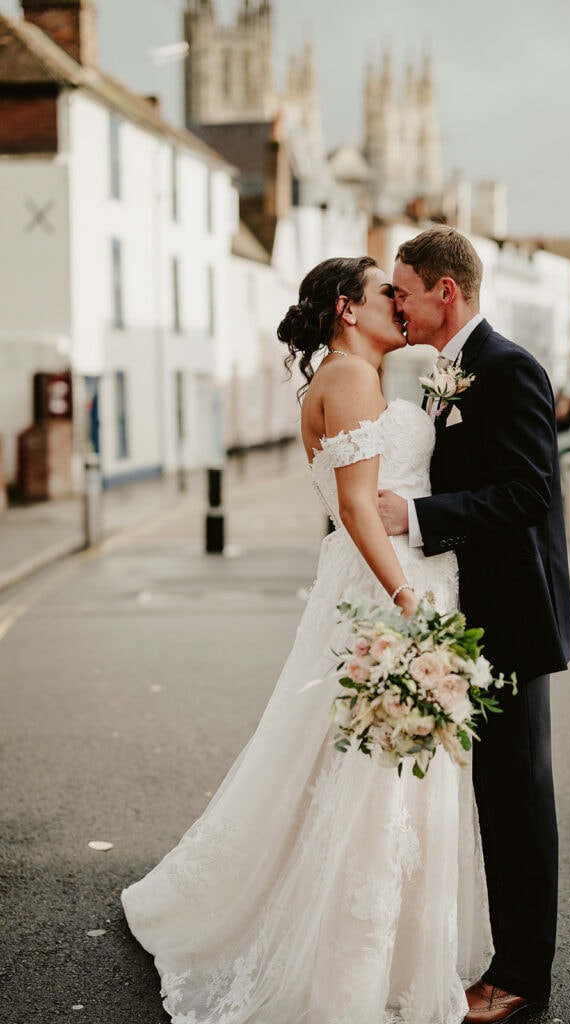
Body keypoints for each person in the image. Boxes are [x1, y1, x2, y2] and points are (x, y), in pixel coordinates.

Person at [121, 255, 493, 1024]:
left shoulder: (347, 378)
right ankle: (349, 969)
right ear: (347, 312)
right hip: (388, 588)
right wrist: (406, 605)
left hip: (379, 580)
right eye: (383, 292)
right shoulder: (352, 380)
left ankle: (368, 949)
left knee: (354, 766)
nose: (398, 302)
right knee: (374, 777)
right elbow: (356, 509)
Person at [378, 225, 570, 1024]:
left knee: (517, 800)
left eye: (403, 290)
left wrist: (420, 516)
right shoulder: (445, 374)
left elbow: (528, 492)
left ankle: (522, 975)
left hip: (511, 620)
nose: (395, 302)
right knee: (491, 796)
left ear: (444, 291)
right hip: (470, 618)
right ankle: (504, 959)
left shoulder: (507, 367)